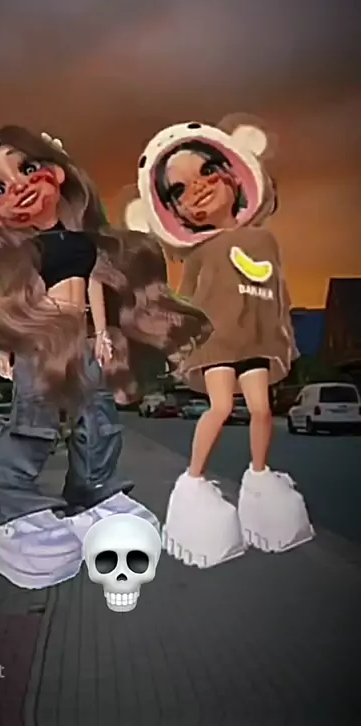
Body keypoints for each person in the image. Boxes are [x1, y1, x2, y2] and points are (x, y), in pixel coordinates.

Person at [0, 125, 213, 589]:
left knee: (96, 415)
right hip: (40, 335)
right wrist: (5, 345)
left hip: (81, 336)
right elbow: (12, 296)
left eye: (27, 167)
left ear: (58, 173)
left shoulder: (83, 243)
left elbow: (95, 286)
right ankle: (8, 517)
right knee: (33, 419)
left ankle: (92, 494)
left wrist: (102, 334)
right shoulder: (26, 250)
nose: (17, 186)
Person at [122, 115, 314, 568]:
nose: (199, 189)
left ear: (233, 174)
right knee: (222, 407)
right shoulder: (200, 253)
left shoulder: (265, 241)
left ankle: (261, 478)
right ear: (175, 212)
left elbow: (278, 295)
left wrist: (285, 338)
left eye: (207, 171)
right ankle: (193, 482)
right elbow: (184, 303)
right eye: (180, 189)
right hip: (217, 344)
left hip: (256, 341)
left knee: (262, 409)